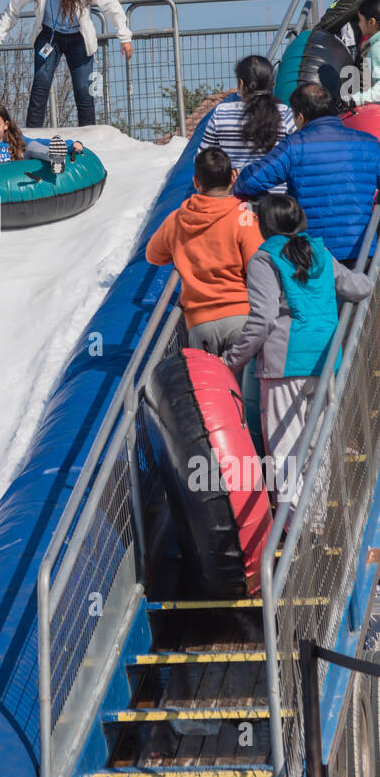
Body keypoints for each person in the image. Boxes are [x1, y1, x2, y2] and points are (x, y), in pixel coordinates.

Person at [223, 194, 371, 518]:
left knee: (285, 450)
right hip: (326, 359)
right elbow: (358, 288)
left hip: (284, 364)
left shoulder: (264, 258)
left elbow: (261, 320)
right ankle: (315, 523)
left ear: (264, 224)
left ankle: (294, 528)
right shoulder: (319, 250)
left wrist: (232, 360)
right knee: (318, 445)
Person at [0, 0, 132, 128]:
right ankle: (33, 134)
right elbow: (13, 7)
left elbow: (111, 6)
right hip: (50, 37)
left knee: (83, 89)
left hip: (78, 39)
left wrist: (124, 37)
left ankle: (89, 137)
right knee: (41, 84)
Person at [233, 83, 380, 265]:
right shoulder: (370, 144)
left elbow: (249, 181)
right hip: (362, 251)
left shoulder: (294, 146)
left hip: (313, 253)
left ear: (300, 116)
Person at [145, 147, 262, 354]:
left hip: (200, 323)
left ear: (196, 182)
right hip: (242, 316)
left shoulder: (177, 219)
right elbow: (258, 266)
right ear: (233, 178)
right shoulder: (243, 218)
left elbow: (153, 255)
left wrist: (179, 249)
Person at [198, 56, 295, 179]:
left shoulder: (221, 113)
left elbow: (203, 157)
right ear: (271, 83)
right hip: (278, 195)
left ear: (241, 83)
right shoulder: (286, 114)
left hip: (234, 193)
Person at [0, 101, 84, 178]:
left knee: (32, 145)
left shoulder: (15, 139)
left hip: (19, 173)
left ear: (5, 125)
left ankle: (54, 156)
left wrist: (70, 145)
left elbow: (41, 142)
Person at [344, 0, 380, 107]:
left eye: (360, 20)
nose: (359, 25)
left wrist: (355, 100)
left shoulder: (376, 49)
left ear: (371, 22)